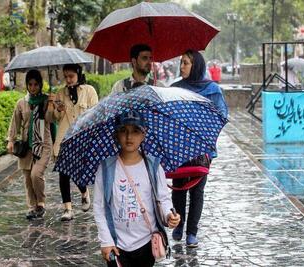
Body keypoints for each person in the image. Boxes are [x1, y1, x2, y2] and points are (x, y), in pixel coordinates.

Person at [93, 110, 180, 267]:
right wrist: (105, 240)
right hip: (116, 244)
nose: (129, 137)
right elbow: (99, 207)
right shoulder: (106, 168)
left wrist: (169, 215)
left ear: (144, 134)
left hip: (146, 242)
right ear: (116, 135)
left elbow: (163, 198)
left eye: (135, 131)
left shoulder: (153, 166)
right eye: (123, 131)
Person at [170, 50, 228, 248]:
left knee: (197, 191)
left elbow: (220, 116)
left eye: (185, 63)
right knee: (178, 189)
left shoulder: (212, 89)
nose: (182, 67)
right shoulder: (175, 88)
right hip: (178, 148)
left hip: (201, 150)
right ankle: (179, 224)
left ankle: (192, 232)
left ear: (196, 65)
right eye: (181, 62)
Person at [51, 63, 98, 221]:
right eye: (65, 77)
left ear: (78, 74)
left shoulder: (89, 91)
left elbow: (96, 113)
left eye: (71, 76)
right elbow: (55, 119)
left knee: (77, 172)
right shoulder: (60, 94)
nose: (68, 80)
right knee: (63, 172)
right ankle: (68, 208)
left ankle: (84, 193)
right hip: (64, 139)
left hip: (82, 138)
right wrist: (57, 109)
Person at [7, 69, 53, 220]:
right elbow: (15, 123)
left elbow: (50, 119)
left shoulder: (46, 100)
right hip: (26, 146)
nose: (33, 87)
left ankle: (41, 203)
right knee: (27, 178)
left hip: (43, 143)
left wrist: (51, 105)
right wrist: (11, 140)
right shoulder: (22, 102)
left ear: (40, 85)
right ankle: (33, 207)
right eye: (30, 84)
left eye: (36, 84)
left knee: (36, 174)